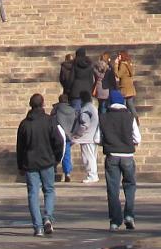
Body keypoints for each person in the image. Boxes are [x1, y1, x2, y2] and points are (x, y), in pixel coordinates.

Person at [16, 93, 63, 236]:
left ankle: (37, 227)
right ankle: (47, 217)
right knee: (49, 190)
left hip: (30, 163)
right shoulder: (49, 121)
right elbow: (59, 141)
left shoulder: (24, 124)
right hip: (47, 161)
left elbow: (20, 147)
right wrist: (56, 158)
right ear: (42, 104)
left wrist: (20, 165)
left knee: (33, 194)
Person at [99, 90, 141, 231]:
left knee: (113, 188)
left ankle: (115, 221)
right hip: (128, 156)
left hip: (112, 155)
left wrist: (106, 141)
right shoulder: (130, 117)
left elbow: (96, 139)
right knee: (130, 186)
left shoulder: (103, 118)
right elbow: (137, 138)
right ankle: (129, 215)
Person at [71, 97, 100, 184]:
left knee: (88, 158)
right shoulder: (93, 108)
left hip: (87, 137)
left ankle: (92, 176)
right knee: (92, 157)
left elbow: (84, 123)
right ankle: (93, 175)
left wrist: (78, 134)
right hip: (93, 136)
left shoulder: (85, 109)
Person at [53, 95, 79, 184]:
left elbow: (52, 121)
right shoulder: (73, 110)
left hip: (58, 135)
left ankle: (53, 169)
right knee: (66, 154)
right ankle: (67, 173)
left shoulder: (56, 109)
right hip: (69, 135)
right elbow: (77, 122)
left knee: (54, 152)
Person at [114, 50, 138, 116]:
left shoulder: (123, 65)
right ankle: (134, 118)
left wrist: (116, 65)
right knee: (130, 104)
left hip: (125, 88)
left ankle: (132, 118)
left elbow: (118, 75)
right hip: (130, 87)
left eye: (119, 56)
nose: (118, 57)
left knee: (125, 105)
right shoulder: (128, 63)